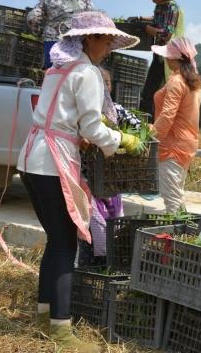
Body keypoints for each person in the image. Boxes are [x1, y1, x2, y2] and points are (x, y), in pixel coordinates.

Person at [16, 11, 142, 352]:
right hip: (52, 162)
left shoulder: (57, 69)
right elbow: (91, 127)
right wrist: (122, 140)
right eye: (105, 40)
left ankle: (45, 316)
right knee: (64, 244)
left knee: (55, 239)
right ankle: (61, 330)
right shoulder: (86, 72)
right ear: (87, 39)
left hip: (30, 159)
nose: (109, 46)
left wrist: (86, 133)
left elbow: (65, 117)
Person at [77, 67, 143, 267]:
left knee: (112, 228)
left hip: (112, 185)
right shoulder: (84, 112)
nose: (103, 89)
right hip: (87, 185)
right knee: (89, 231)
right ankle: (89, 273)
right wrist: (82, 139)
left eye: (106, 84)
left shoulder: (117, 111)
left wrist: (125, 140)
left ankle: (104, 269)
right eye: (99, 85)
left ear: (110, 87)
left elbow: (139, 128)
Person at [150, 37, 201, 213]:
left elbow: (167, 115)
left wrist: (151, 135)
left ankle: (173, 238)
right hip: (187, 143)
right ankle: (182, 234)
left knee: (171, 198)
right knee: (177, 195)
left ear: (172, 59)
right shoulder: (192, 81)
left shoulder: (176, 81)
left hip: (172, 145)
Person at [27, 0, 94, 69]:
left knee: (54, 74)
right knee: (76, 73)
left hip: (52, 41)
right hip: (77, 42)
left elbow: (33, 18)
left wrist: (38, 33)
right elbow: (94, 20)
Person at [135, 0, 184, 116]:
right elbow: (157, 19)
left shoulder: (171, 7)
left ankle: (152, 123)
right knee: (151, 91)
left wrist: (145, 28)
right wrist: (140, 18)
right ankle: (149, 121)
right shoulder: (160, 6)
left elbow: (165, 33)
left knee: (154, 91)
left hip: (169, 56)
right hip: (159, 54)